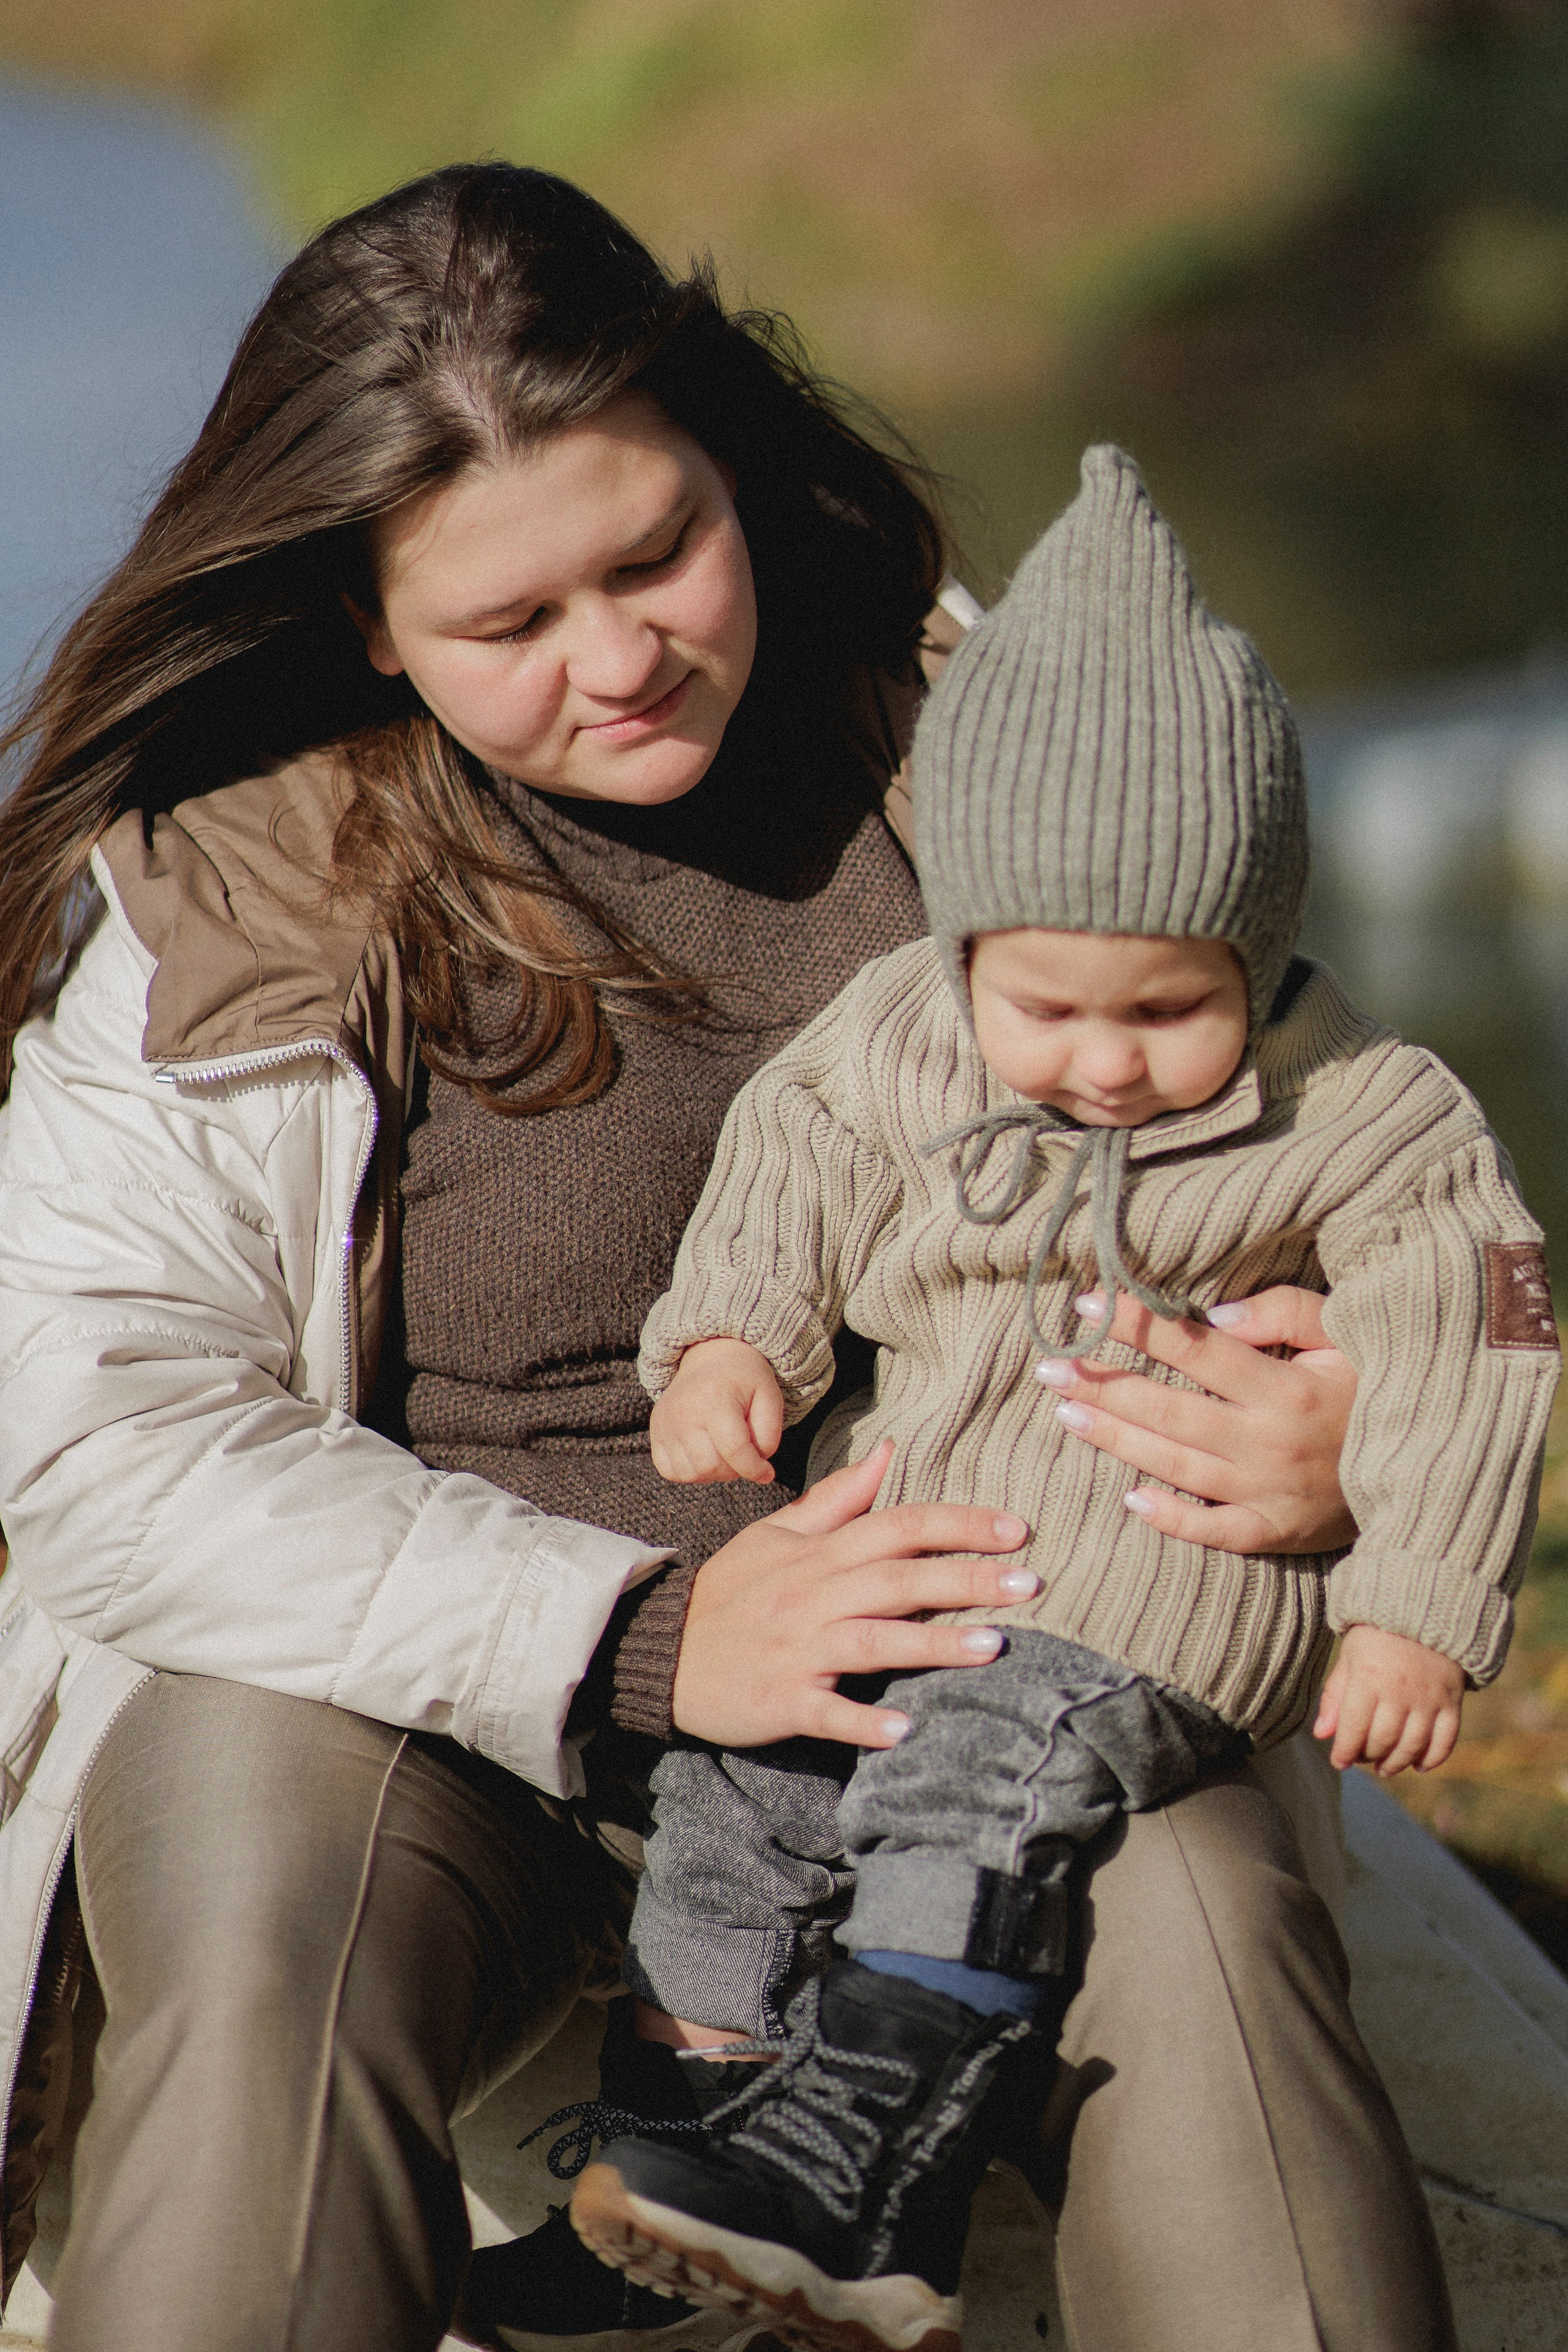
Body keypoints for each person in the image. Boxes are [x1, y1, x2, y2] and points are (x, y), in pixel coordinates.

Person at [0, 163, 1442, 2352]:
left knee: (1213, 1923)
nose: (621, 657)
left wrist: (1340, 1413)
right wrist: (646, 1636)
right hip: (420, 1707)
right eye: (510, 626)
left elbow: (1322, 1168)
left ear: (722, 461)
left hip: (987, 1671)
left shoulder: (995, 751)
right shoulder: (230, 888)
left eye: (655, 553)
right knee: (250, 1895)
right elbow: (96, 1437)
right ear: (371, 620)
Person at [568, 447, 1558, 2352]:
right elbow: (793, 1154)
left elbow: (1476, 1346)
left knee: (977, 1778)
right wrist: (729, 1341)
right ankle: (693, 2133)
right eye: (1049, 1008)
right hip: (928, 1548)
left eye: (1167, 1011)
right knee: (748, 1784)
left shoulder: (1373, 1118)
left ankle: (873, 2163)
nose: (1103, 1065)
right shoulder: (903, 1029)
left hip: (1152, 1586)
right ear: (967, 946)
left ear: (1260, 950)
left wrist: (1418, 1605)